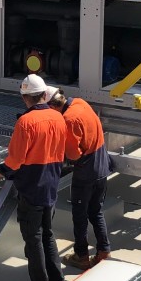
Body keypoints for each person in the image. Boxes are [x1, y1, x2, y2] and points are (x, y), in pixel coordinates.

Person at [0, 74, 68, 281]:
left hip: (31, 186)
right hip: (50, 183)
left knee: (33, 238)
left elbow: (15, 160)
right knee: (47, 234)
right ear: (44, 94)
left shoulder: (26, 122)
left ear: (24, 97)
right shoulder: (58, 117)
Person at [46, 86, 113, 270]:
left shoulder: (68, 119)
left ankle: (81, 256)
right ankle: (104, 251)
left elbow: (73, 154)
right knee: (96, 211)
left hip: (86, 172)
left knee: (80, 214)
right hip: (102, 164)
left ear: (52, 106)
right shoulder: (80, 102)